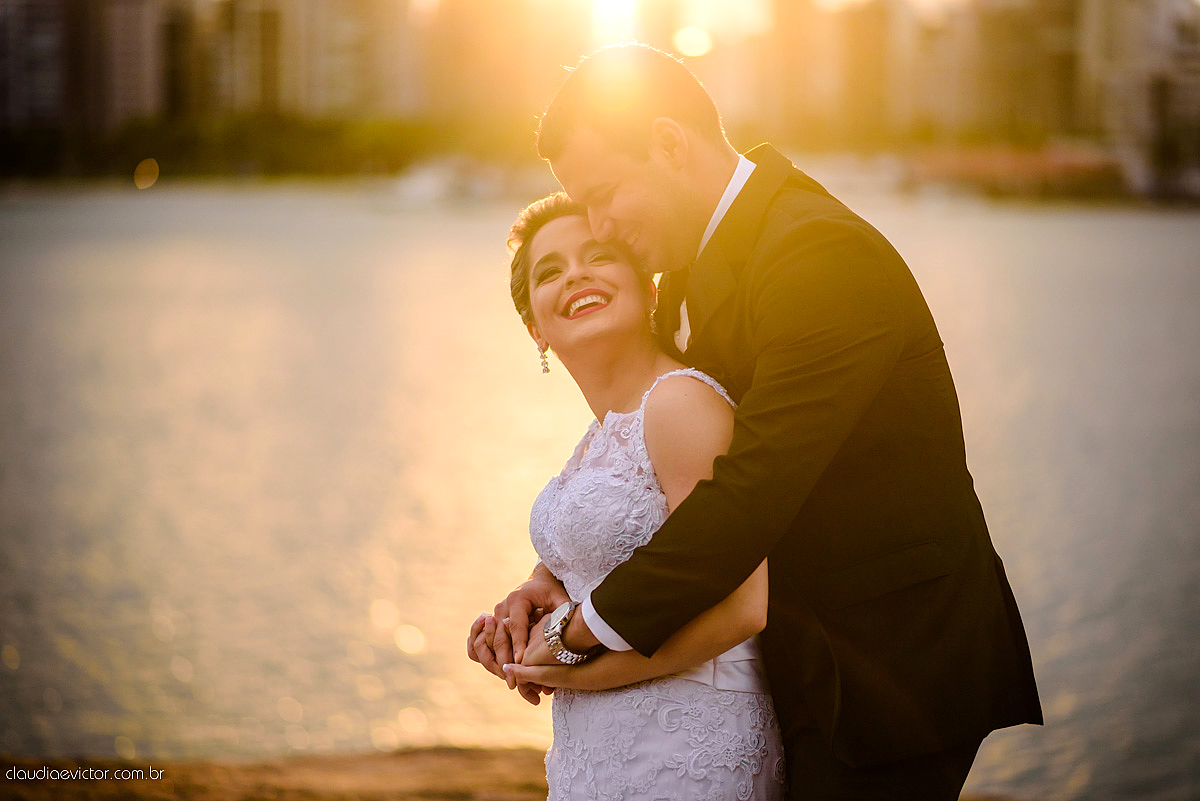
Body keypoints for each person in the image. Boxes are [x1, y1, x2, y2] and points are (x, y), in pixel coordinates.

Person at [472, 43, 1042, 800]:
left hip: (888, 669)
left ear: (671, 144)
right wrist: (553, 579)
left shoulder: (816, 254)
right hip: (785, 657)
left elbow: (748, 493)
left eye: (605, 192)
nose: (599, 224)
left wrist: (575, 631)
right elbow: (661, 475)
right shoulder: (691, 267)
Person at [487, 192, 785, 799]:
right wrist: (533, 596)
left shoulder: (680, 403)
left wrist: (578, 674)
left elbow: (742, 608)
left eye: (599, 256)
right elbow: (627, 557)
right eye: (551, 271)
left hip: (688, 747)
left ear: (649, 290)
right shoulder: (598, 437)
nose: (576, 274)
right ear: (535, 328)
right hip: (595, 753)